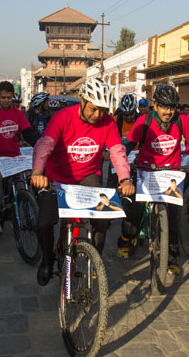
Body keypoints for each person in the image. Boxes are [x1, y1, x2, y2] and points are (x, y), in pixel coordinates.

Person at [30, 77, 135, 286]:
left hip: (87, 176)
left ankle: (94, 260)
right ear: (82, 100)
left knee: (102, 220)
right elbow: (45, 145)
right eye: (94, 109)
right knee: (44, 223)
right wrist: (37, 172)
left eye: (103, 110)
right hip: (55, 178)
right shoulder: (62, 117)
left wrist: (125, 178)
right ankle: (47, 261)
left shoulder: (108, 122)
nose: (98, 115)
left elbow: (117, 151)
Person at [118, 84, 189, 270]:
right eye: (164, 106)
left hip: (171, 174)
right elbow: (129, 142)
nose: (168, 111)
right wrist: (122, 159)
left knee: (172, 218)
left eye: (172, 107)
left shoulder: (182, 120)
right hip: (146, 172)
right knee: (135, 211)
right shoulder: (144, 121)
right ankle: (126, 239)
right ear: (155, 105)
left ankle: (171, 258)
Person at [0, 81, 40, 235]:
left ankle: (25, 212)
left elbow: (29, 133)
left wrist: (42, 145)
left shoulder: (18, 114)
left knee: (22, 183)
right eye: (3, 97)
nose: (6, 100)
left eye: (9, 97)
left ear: (13, 97)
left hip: (14, 157)